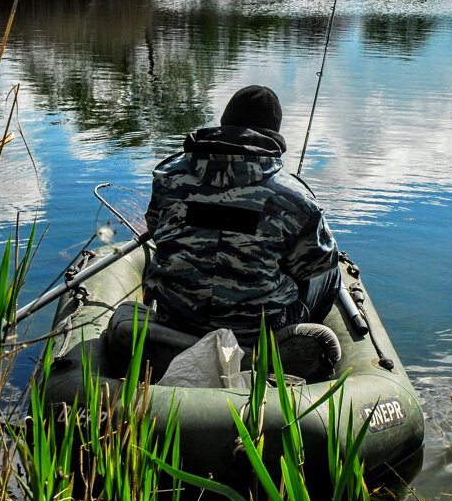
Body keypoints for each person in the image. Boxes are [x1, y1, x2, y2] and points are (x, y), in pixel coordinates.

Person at [141, 85, 341, 346]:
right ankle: (293, 348)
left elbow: (155, 230)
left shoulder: (168, 175)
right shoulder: (295, 197)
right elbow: (316, 265)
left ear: (224, 123)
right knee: (331, 272)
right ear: (274, 134)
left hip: (175, 319)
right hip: (255, 333)